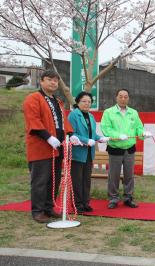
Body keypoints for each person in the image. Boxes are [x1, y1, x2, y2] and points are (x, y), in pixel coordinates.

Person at [23, 69, 80, 223]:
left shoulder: (57, 101)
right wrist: (48, 137)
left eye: (56, 80)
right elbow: (33, 120)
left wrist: (70, 134)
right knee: (40, 180)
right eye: (50, 79)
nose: (53, 83)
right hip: (41, 146)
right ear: (41, 81)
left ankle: (49, 207)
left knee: (54, 180)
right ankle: (38, 211)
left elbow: (63, 122)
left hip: (58, 147)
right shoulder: (33, 98)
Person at [100, 89, 151, 209]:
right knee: (114, 176)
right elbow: (106, 128)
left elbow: (138, 128)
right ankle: (113, 198)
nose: (123, 99)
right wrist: (118, 136)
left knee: (129, 175)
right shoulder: (109, 112)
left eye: (126, 97)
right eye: (121, 96)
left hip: (130, 148)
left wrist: (143, 133)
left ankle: (128, 197)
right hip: (115, 148)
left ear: (128, 98)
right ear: (116, 98)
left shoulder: (133, 113)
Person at [68, 92, 109, 214]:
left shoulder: (90, 116)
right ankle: (77, 204)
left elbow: (93, 134)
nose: (87, 104)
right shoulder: (73, 115)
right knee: (77, 180)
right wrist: (86, 140)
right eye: (84, 101)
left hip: (88, 153)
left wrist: (100, 138)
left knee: (86, 180)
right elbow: (71, 133)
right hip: (77, 153)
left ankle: (86, 203)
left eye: (89, 102)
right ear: (78, 102)